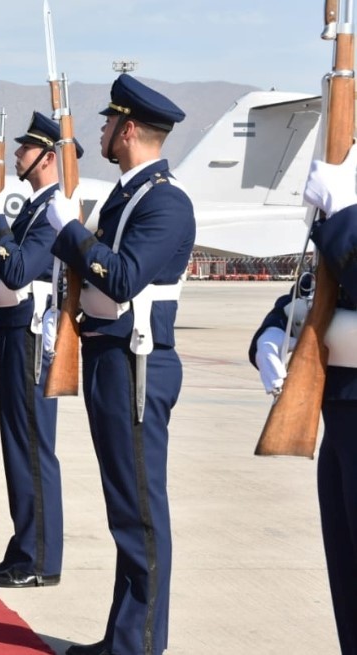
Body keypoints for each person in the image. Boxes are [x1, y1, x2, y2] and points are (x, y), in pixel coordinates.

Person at [47, 74, 194, 655]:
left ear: (129, 129)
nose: (104, 130)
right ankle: (122, 638)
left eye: (109, 122)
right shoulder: (129, 194)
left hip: (137, 364)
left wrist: (70, 231)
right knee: (124, 509)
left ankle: (141, 646)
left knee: (140, 513)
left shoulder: (165, 201)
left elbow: (124, 277)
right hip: (110, 357)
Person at [254, 152, 357, 652]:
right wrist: (273, 330)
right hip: (338, 409)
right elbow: (316, 286)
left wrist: (345, 215)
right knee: (346, 571)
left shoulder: (348, 216)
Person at [0, 112, 73, 589]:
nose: (16, 154)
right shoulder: (36, 208)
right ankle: (24, 547)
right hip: (14, 330)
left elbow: (18, 270)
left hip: (31, 337)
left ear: (48, 157)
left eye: (26, 148)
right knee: (18, 445)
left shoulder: (54, 210)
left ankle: (41, 560)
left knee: (32, 446)